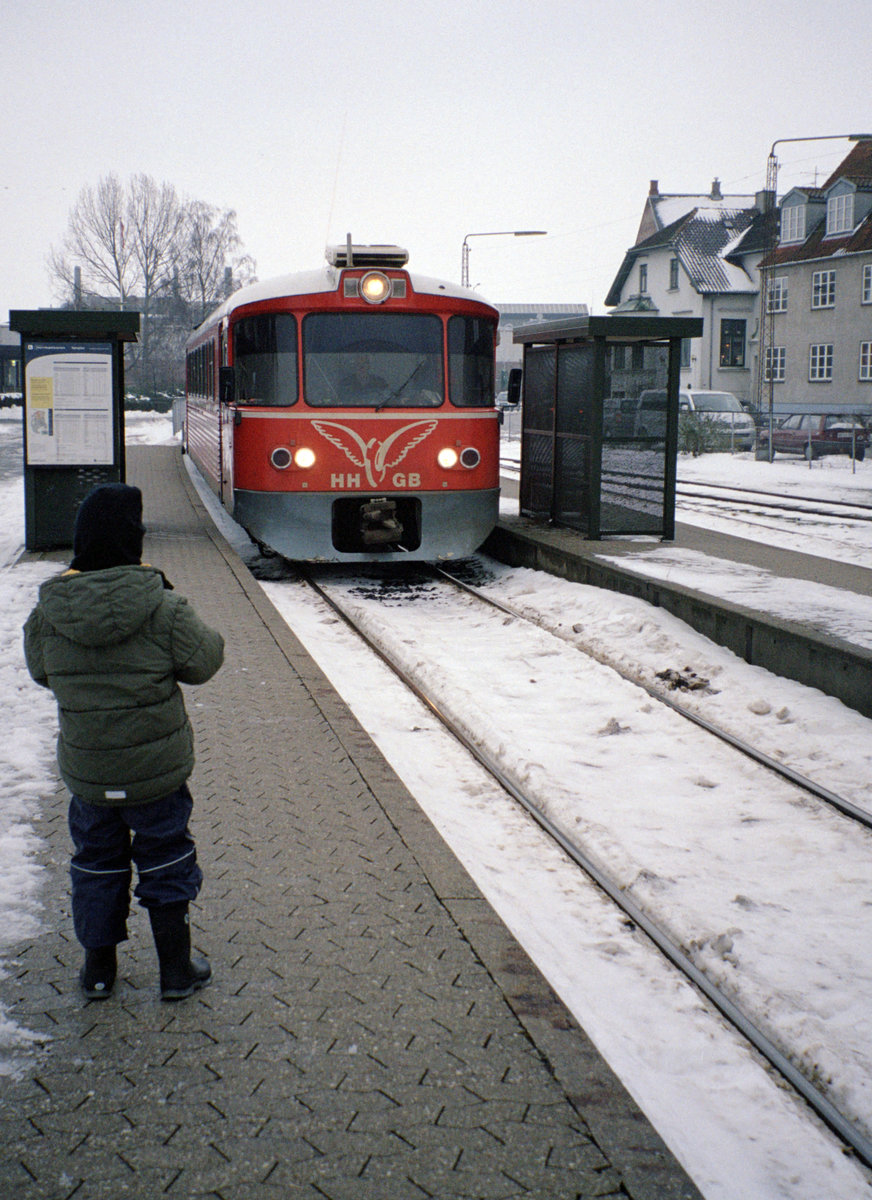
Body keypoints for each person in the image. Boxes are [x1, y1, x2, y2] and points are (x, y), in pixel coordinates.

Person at [23, 483, 224, 1002]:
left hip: (90, 778)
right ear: (133, 541)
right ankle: (176, 971)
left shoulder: (49, 613)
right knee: (165, 858)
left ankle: (97, 971)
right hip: (156, 775)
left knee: (95, 862)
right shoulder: (162, 606)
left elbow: (42, 673)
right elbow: (204, 662)